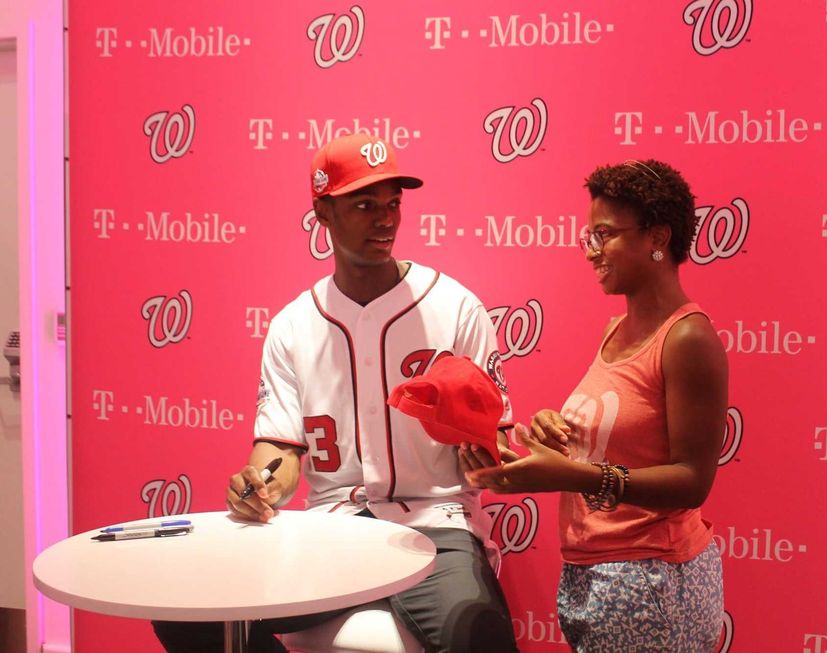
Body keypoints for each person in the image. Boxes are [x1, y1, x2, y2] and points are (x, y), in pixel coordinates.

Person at [153, 134, 519, 653]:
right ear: (322, 212)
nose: (385, 219)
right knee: (185, 613)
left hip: (436, 525)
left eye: (393, 204)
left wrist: (485, 453)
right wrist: (258, 485)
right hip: (332, 529)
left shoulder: (456, 308)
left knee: (480, 638)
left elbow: (494, 451)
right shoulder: (292, 325)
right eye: (364, 204)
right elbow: (278, 453)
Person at [462, 159, 728, 652]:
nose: (591, 251)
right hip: (597, 575)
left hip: (654, 582)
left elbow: (693, 481)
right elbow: (622, 434)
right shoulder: (615, 330)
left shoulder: (688, 338)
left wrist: (570, 476)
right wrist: (556, 430)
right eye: (589, 236)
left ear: (657, 238)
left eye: (605, 234)